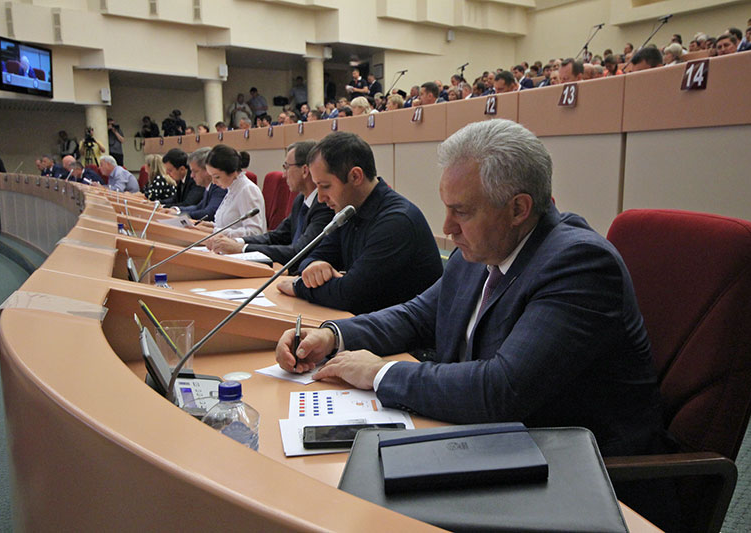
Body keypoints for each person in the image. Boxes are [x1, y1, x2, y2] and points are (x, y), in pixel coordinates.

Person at [276, 119, 667, 463]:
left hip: (570, 466)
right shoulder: (485, 247)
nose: (447, 228)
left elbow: (502, 390)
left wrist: (379, 372)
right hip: (482, 437)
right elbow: (417, 315)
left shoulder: (578, 264)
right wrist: (332, 336)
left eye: (461, 211)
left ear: (518, 209)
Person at [275, 131, 443, 314]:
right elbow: (311, 257)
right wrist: (314, 266)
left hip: (406, 330)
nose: (321, 198)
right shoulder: (349, 210)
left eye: (325, 186)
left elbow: (350, 296)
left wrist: (299, 286)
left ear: (355, 176)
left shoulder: (396, 222)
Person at [209, 141, 332, 271]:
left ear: (305, 171)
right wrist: (238, 242)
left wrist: (242, 248)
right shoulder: (300, 200)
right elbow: (276, 236)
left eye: (286, 167)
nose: (284, 174)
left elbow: (298, 252)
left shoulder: (323, 206)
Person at [207, 144, 267, 238]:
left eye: (217, 177)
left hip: (241, 246)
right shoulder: (232, 188)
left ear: (233, 172)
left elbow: (255, 232)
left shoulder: (247, 190)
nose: (213, 182)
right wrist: (209, 227)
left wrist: (216, 231)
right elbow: (229, 225)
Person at [171, 147, 226, 221]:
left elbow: (209, 213)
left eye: (195, 171)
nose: (191, 175)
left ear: (208, 170)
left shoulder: (219, 187)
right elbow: (198, 207)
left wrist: (180, 214)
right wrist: (177, 210)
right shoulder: (209, 187)